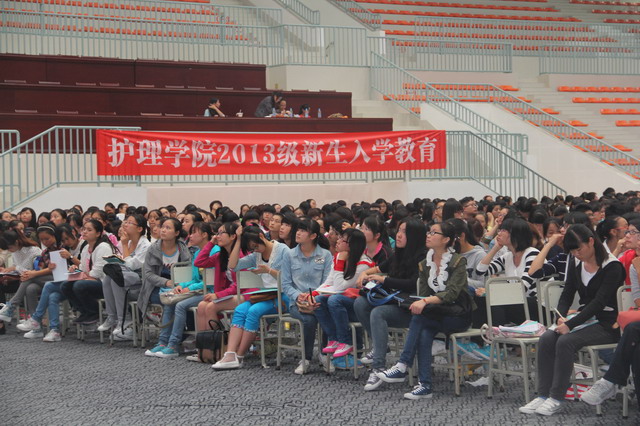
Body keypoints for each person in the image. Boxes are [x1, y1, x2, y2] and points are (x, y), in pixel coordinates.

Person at [519, 224, 625, 416]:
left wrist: (570, 324)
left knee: (566, 341)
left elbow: (599, 303)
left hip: (607, 323)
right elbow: (567, 294)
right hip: (585, 318)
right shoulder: (576, 263)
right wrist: (559, 318)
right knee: (547, 338)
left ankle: (556, 397)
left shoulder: (612, 266)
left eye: (579, 249)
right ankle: (543, 395)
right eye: (573, 251)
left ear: (591, 241)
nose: (577, 254)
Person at [376, 221, 474, 399]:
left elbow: (451, 294)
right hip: (435, 313)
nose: (428, 235)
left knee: (421, 320)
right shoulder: (424, 263)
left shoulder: (458, 261)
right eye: (429, 232)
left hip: (458, 313)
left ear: (445, 239)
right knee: (423, 330)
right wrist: (423, 301)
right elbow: (424, 294)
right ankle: (424, 385)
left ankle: (403, 365)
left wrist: (425, 302)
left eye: (434, 233)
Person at [354, 217, 427, 391]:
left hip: (411, 306)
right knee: (359, 303)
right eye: (399, 231)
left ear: (414, 235)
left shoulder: (423, 256)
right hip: (395, 301)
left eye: (404, 232)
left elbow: (412, 284)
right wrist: (364, 275)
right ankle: (381, 346)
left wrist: (385, 281)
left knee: (378, 312)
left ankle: (378, 366)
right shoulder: (398, 254)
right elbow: (379, 268)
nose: (399, 235)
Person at [211, 224, 288, 369]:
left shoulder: (283, 250)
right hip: (265, 295)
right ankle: (230, 354)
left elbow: (290, 280)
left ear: (261, 237)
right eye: (251, 249)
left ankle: (239, 356)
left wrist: (269, 271)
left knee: (253, 311)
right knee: (240, 310)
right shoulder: (256, 255)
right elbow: (233, 265)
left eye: (255, 246)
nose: (255, 250)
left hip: (282, 295)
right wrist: (238, 239)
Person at [145, 221, 214, 358]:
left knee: (181, 305)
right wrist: (181, 286)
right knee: (169, 301)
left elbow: (209, 282)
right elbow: (194, 278)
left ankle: (173, 345)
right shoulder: (198, 252)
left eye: (194, 233)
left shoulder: (214, 252)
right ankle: (163, 342)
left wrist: (188, 288)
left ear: (205, 235)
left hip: (210, 292)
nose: (190, 236)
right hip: (197, 289)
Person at [280, 218, 333, 374]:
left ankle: (324, 354)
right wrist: (299, 297)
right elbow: (286, 284)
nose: (298, 233)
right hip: (297, 303)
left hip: (319, 300)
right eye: (298, 229)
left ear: (313, 236)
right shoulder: (289, 255)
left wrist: (314, 297)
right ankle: (306, 358)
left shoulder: (325, 255)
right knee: (309, 320)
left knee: (323, 314)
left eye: (303, 230)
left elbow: (327, 283)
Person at [314, 228, 373, 363]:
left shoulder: (364, 264)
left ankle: (345, 341)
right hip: (342, 305)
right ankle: (334, 338)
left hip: (359, 307)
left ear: (352, 245)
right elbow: (329, 282)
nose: (337, 241)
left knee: (334, 300)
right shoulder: (340, 257)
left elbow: (341, 286)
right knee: (318, 300)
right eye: (339, 237)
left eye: (342, 239)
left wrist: (340, 262)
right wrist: (313, 294)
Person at [15, 224, 81, 341]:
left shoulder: (63, 248)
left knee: (40, 282)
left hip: (66, 281)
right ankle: (49, 329)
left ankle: (34, 318)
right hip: (56, 280)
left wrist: (35, 273)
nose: (45, 242)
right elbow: (42, 269)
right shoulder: (45, 252)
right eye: (42, 240)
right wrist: (41, 271)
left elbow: (78, 266)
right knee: (34, 289)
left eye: (47, 238)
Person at [193, 221, 243, 360]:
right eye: (217, 233)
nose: (218, 236)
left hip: (243, 294)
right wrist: (211, 243)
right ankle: (205, 349)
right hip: (230, 294)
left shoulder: (241, 255)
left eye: (222, 233)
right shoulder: (220, 256)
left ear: (233, 236)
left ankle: (219, 348)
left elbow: (239, 285)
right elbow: (199, 262)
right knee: (202, 306)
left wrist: (218, 295)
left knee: (210, 307)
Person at [99, 214, 151, 340]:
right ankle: (112, 317)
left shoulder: (146, 245)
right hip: (127, 278)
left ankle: (124, 320)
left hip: (141, 282)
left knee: (118, 279)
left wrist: (124, 244)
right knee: (108, 278)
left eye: (129, 223)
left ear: (139, 228)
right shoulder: (127, 241)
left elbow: (131, 265)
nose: (125, 225)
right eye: (125, 222)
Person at [137, 217, 192, 334]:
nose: (163, 230)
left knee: (183, 301)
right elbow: (148, 274)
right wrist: (166, 283)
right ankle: (167, 339)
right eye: (162, 227)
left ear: (176, 233)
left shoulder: (183, 249)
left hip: (179, 286)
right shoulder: (153, 249)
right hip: (155, 288)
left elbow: (188, 271)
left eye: (168, 228)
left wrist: (178, 285)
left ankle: (180, 336)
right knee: (170, 301)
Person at [60, 219, 118, 324]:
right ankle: (84, 312)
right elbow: (83, 267)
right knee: (65, 285)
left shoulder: (103, 247)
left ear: (98, 233)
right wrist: (75, 269)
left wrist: (83, 275)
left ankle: (94, 312)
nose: (85, 232)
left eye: (89, 230)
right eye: (84, 229)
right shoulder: (86, 247)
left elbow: (97, 273)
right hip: (90, 280)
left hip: (104, 283)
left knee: (79, 285)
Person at [0, 229, 42, 323]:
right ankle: (34, 320)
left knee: (28, 282)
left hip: (36, 279)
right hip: (22, 280)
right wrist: (9, 274)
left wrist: (15, 268)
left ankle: (10, 307)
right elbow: (20, 271)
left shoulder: (34, 250)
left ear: (16, 242)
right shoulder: (15, 251)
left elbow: (35, 271)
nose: (10, 251)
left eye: (10, 248)